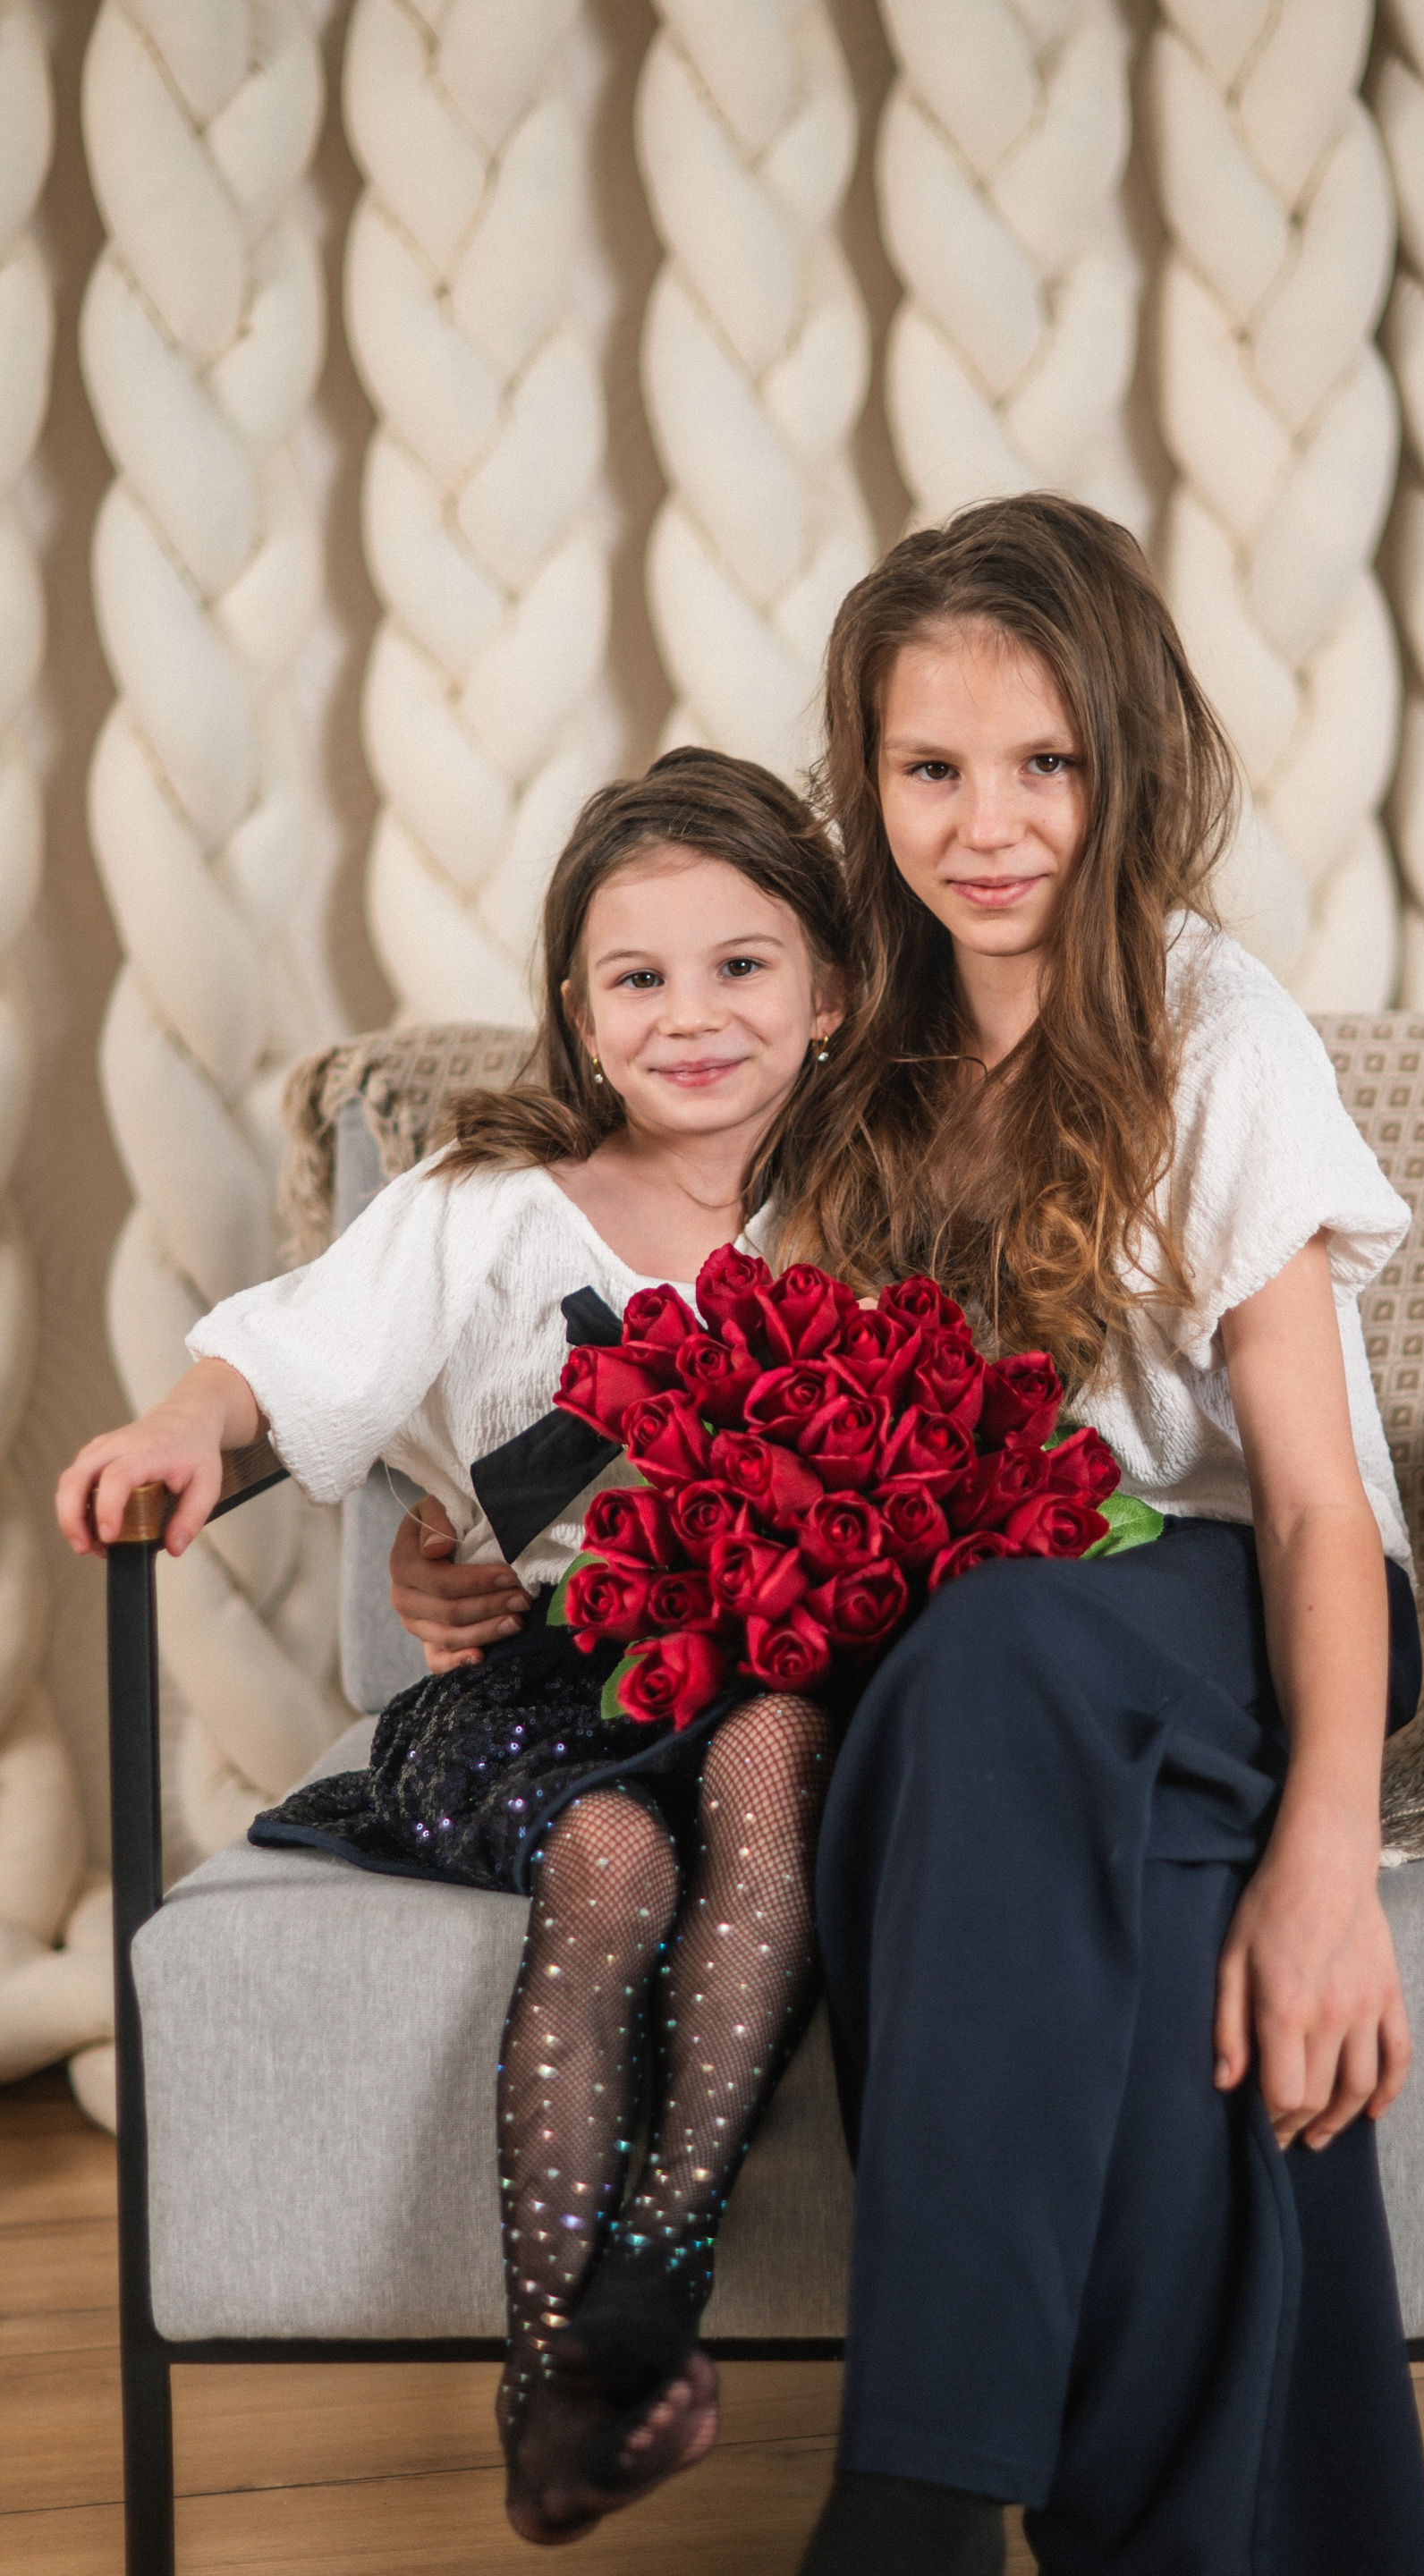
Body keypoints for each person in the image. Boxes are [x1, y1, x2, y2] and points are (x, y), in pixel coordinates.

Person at [403, 495, 1424, 2575]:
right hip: (993, 1683)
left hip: (1236, 1603)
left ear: (1128, 760)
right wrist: (492, 1538)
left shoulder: (1211, 1030)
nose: (990, 826)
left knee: (986, 1652)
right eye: (931, 768)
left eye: (1045, 763)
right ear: (864, 779)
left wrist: (1330, 1862)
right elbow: (690, 1339)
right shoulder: (839, 1025)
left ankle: (918, 2495)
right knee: (1067, 1848)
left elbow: (1313, 1500)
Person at [57, 750, 850, 2548]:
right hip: (539, 1678)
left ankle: (656, 2271)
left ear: (830, 994)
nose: (691, 1015)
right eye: (638, 978)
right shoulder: (489, 1201)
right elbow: (296, 1347)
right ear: (578, 1008)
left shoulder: (873, 1203)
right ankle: (553, 2380)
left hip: (772, 1667)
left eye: (742, 966)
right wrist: (187, 1420)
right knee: (612, 1851)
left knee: (776, 1750)